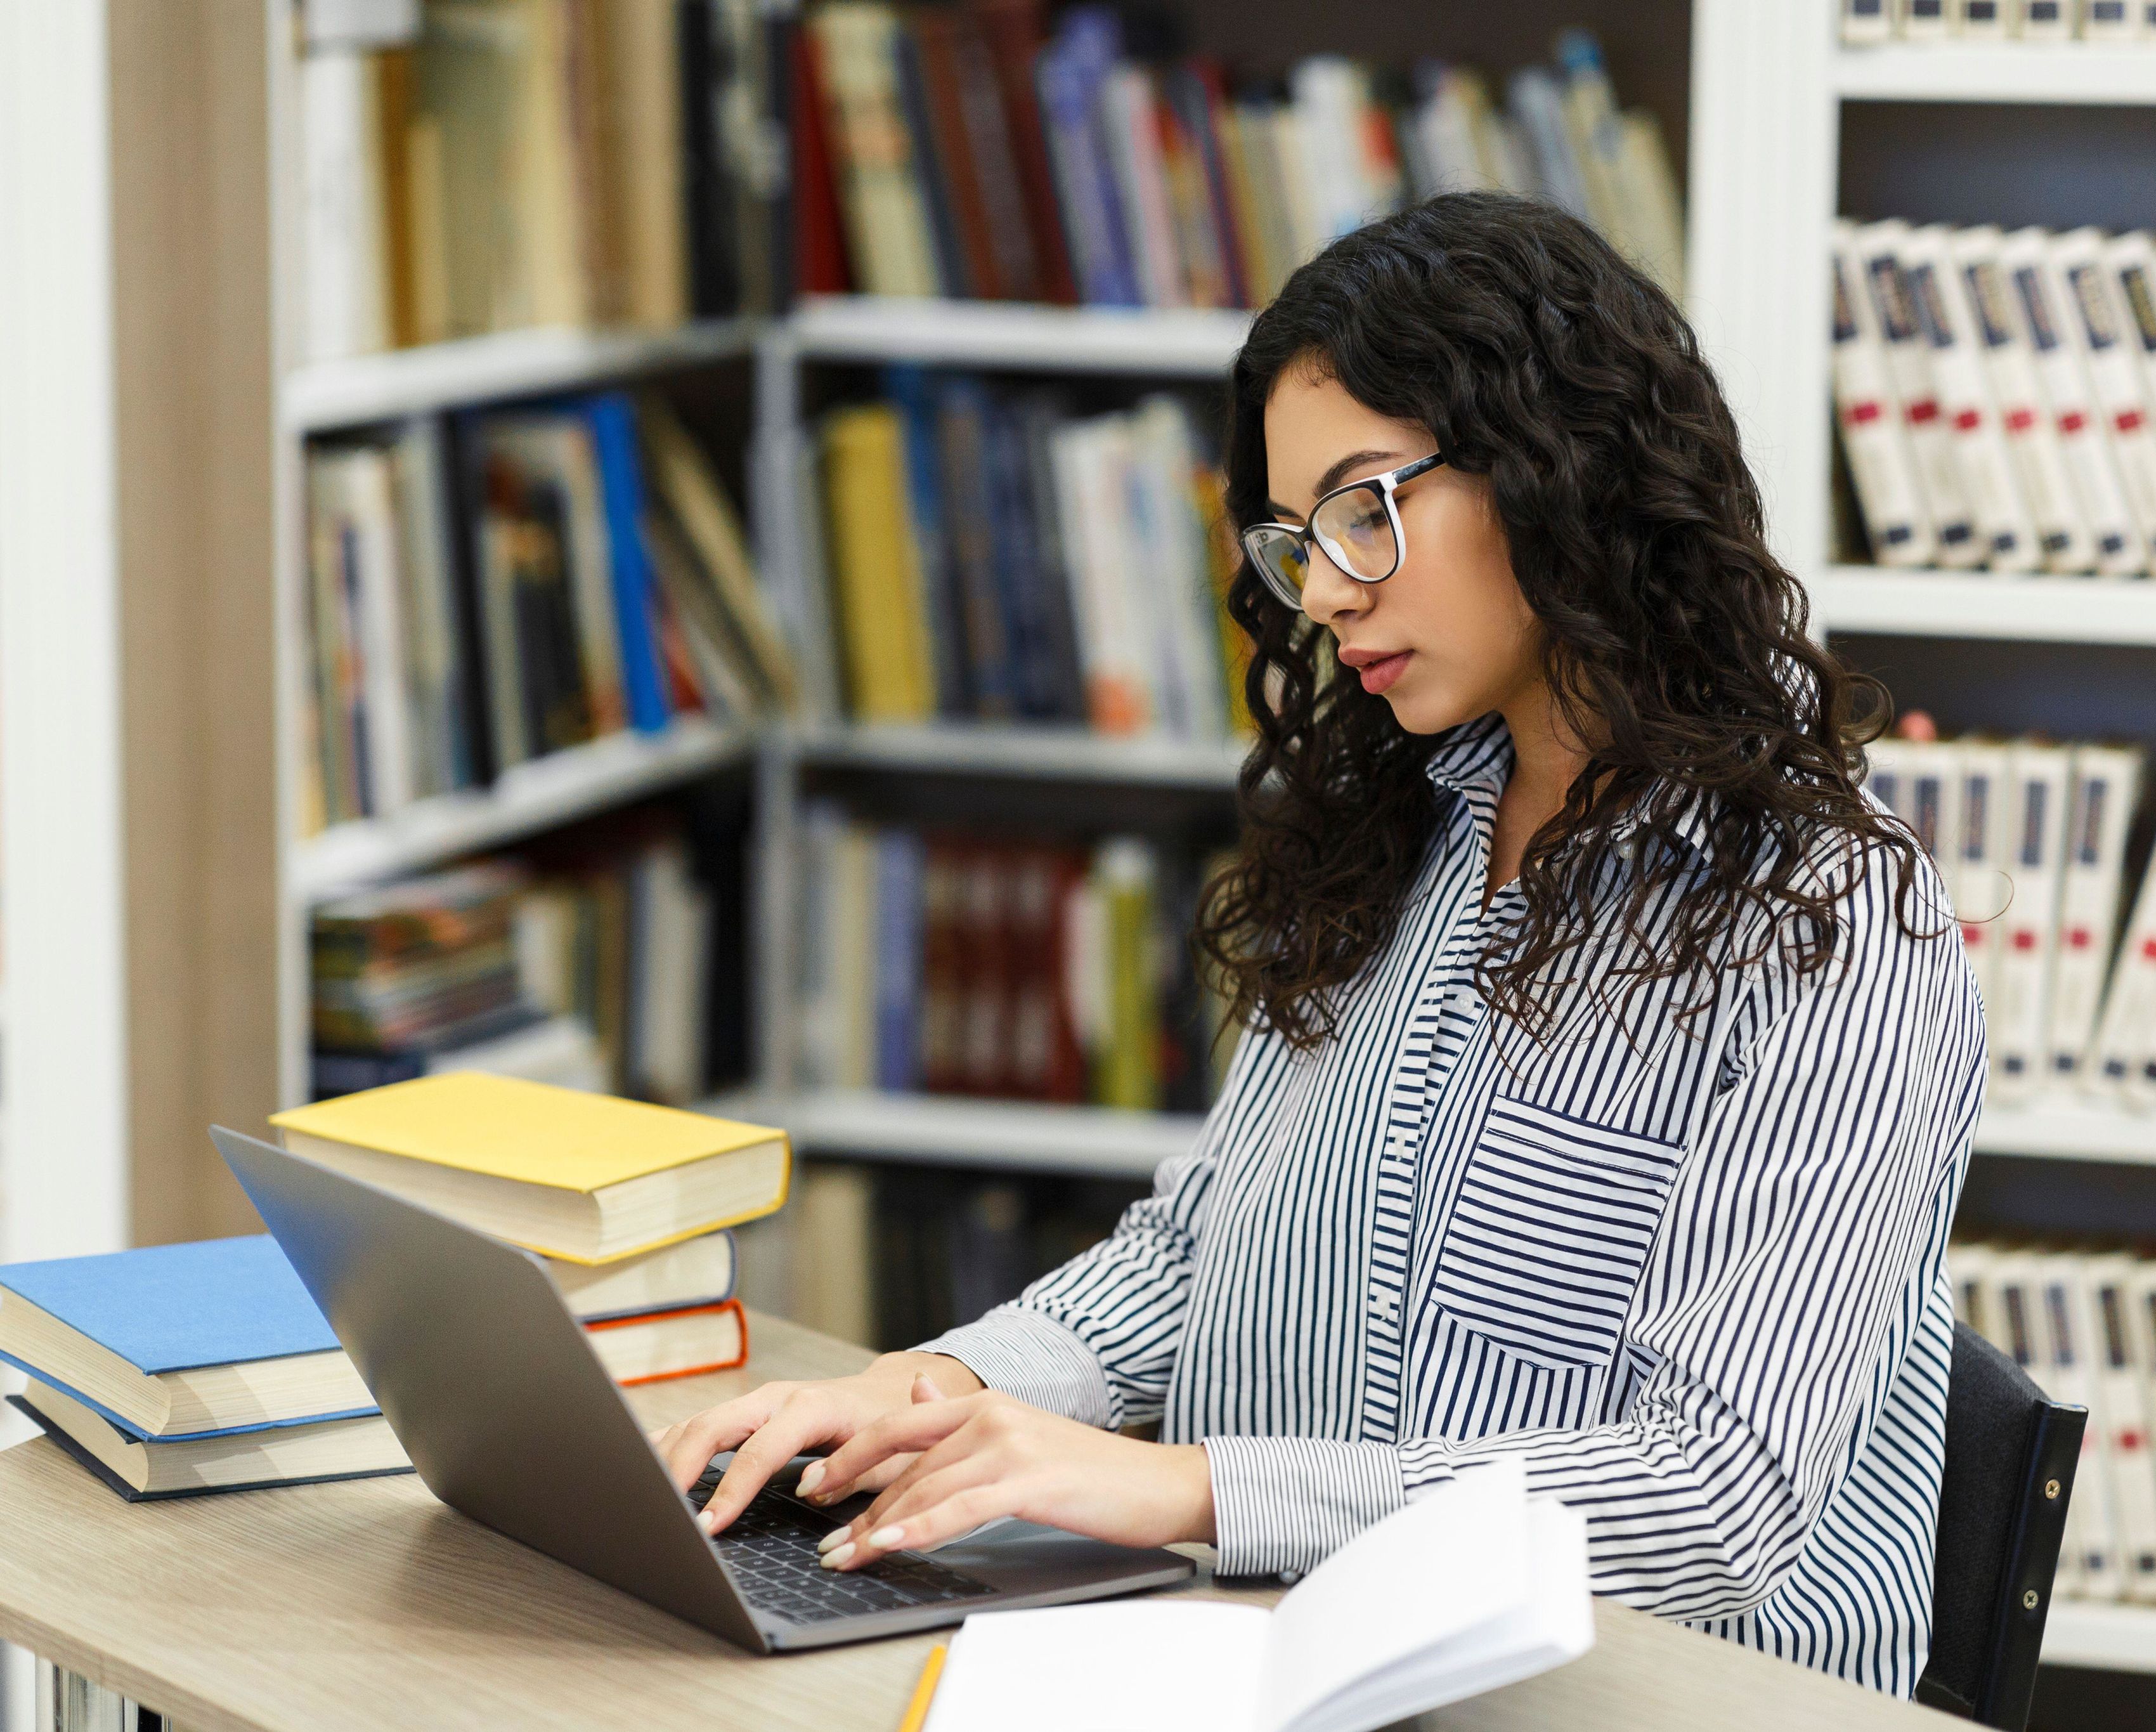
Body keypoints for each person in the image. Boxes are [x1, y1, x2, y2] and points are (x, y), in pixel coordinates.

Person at [656, 192, 1985, 1697]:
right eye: (1300, 538)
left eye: (1370, 507)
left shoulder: (1830, 926)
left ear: (1559, 472)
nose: (1333, 589)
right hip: (1282, 1660)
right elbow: (1192, 1250)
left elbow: (1717, 1494)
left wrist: (1195, 1489)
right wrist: (936, 1387)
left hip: (1633, 1701)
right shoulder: (1395, 831)